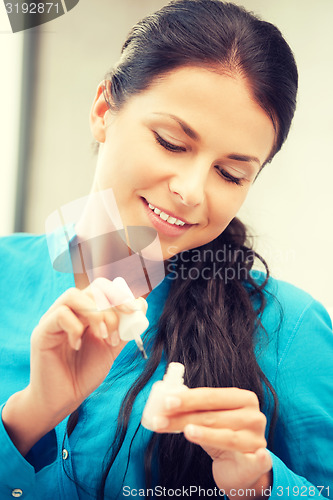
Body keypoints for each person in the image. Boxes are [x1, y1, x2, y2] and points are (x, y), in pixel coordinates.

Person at [0, 0, 332, 498]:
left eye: (230, 173)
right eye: (172, 142)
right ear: (102, 111)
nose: (192, 190)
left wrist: (260, 484)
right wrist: (29, 416)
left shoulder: (290, 329)